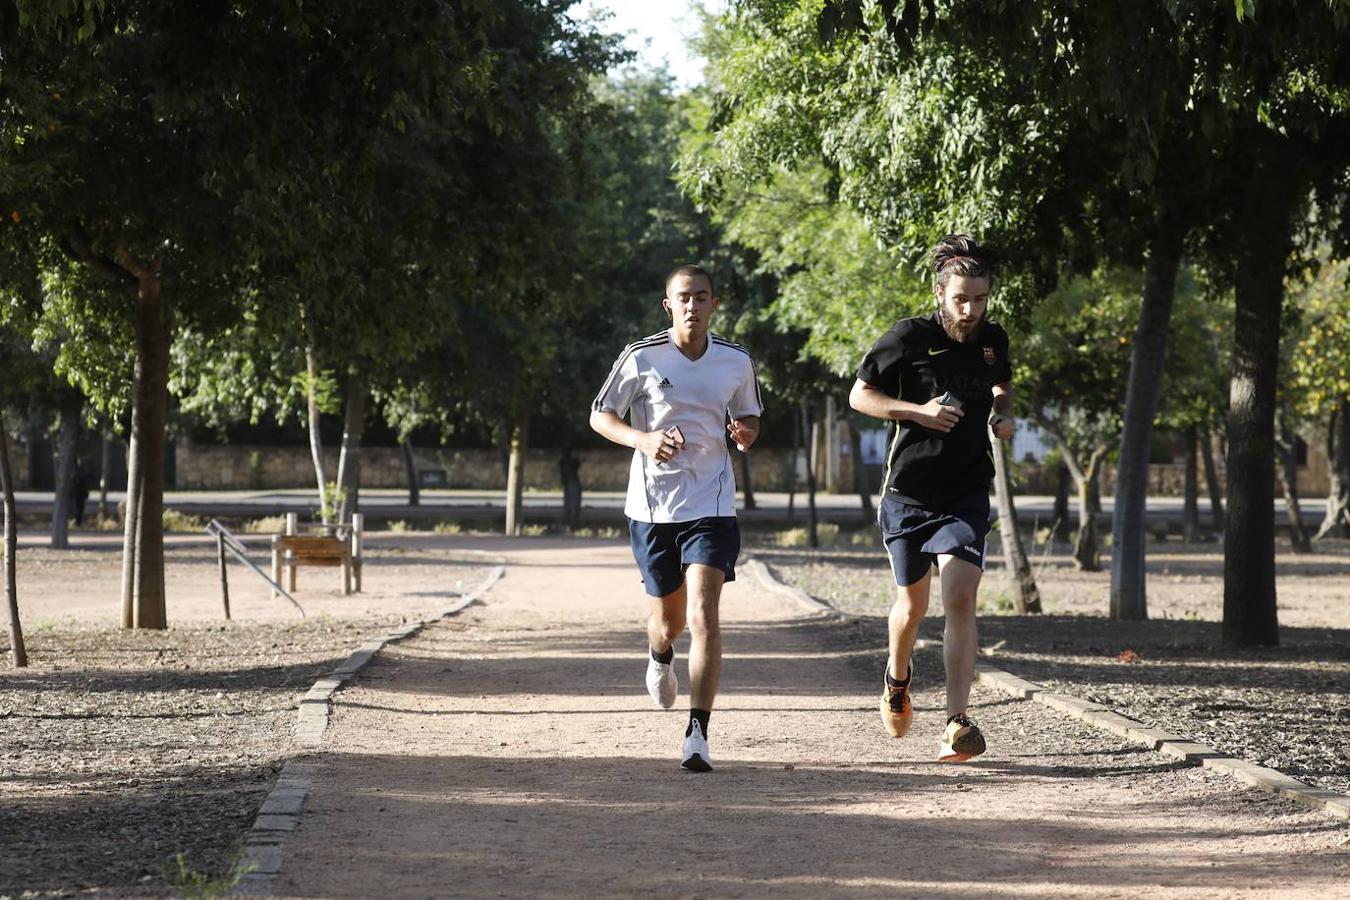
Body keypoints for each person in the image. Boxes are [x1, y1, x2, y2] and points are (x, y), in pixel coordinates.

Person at [848, 234, 1015, 762]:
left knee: (961, 594)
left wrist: (1002, 413)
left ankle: (957, 722)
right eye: (961, 299)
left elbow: (1001, 384)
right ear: (941, 292)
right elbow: (860, 395)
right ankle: (897, 678)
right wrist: (917, 412)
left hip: (966, 490)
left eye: (980, 299)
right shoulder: (908, 337)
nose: (970, 310)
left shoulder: (993, 340)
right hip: (908, 494)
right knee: (911, 606)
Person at [589, 264, 763, 772]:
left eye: (701, 297)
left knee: (704, 614)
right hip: (653, 509)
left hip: (711, 503)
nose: (693, 306)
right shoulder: (641, 356)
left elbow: (750, 416)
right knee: (669, 622)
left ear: (714, 304)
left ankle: (698, 734)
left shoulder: (735, 361)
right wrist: (643, 440)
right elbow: (600, 414)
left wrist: (745, 433)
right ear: (669, 304)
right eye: (683, 298)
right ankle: (659, 653)